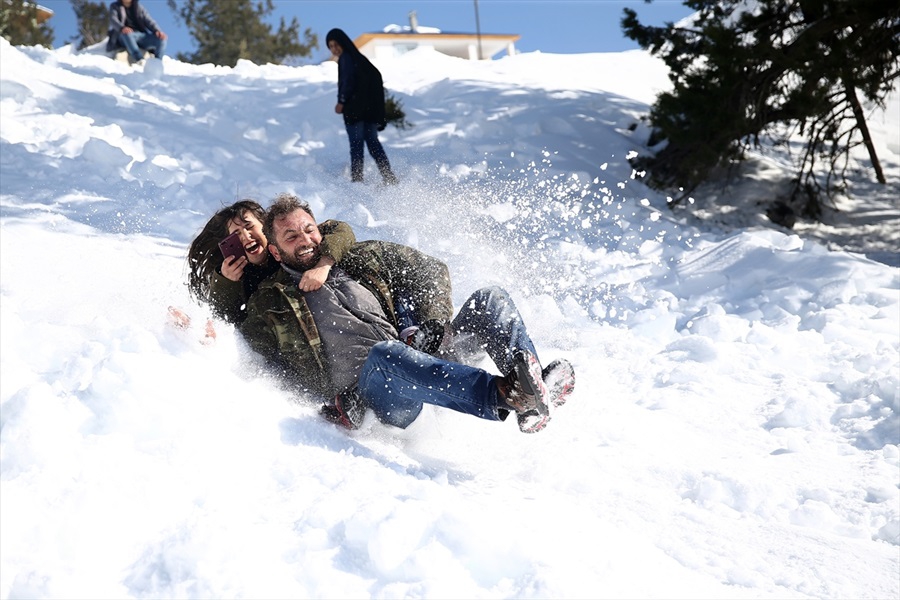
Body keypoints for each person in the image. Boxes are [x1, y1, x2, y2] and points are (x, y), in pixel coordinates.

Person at [240, 195, 575, 434]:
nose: (305, 240)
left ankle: (532, 394)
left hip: (424, 358)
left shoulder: (358, 257)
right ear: (275, 250)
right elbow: (247, 350)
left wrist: (434, 322)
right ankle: (505, 395)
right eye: (291, 236)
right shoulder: (272, 301)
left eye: (309, 229)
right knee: (385, 355)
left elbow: (429, 270)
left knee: (491, 298)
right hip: (377, 394)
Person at [185, 199, 357, 325]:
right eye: (236, 234)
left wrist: (323, 264)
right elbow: (227, 318)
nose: (246, 236)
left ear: (265, 226)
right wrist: (226, 282)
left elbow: (342, 231)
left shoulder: (294, 239)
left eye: (249, 226)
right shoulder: (238, 275)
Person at [325, 28, 398, 185]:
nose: (334, 49)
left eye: (336, 44)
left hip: (355, 112)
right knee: (373, 144)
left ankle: (357, 180)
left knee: (356, 146)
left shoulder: (346, 58)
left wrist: (342, 101)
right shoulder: (359, 59)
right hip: (368, 112)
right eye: (330, 46)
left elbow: (348, 82)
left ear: (343, 42)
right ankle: (389, 177)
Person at [106, 0, 167, 64]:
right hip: (124, 36)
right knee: (127, 34)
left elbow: (149, 21)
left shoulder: (139, 8)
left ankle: (157, 63)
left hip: (140, 36)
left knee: (161, 39)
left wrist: (157, 30)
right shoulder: (115, 6)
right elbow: (113, 20)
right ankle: (139, 60)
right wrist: (122, 28)